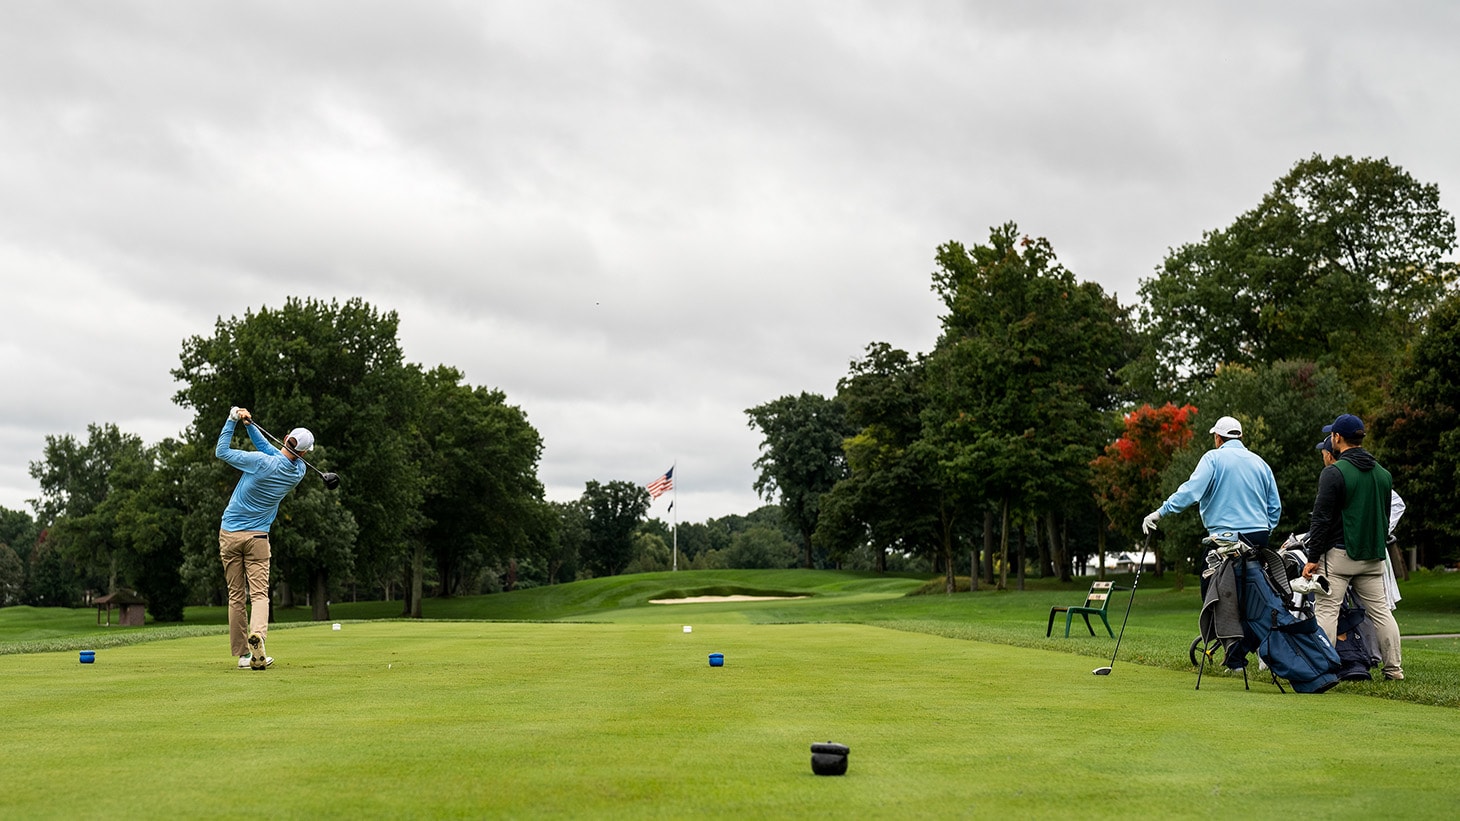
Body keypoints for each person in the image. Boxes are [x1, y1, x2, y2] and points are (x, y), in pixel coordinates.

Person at [1301, 413, 1403, 680]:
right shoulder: (1383, 474)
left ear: (1337, 438)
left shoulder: (1334, 473)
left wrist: (1312, 558)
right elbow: (1384, 517)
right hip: (1373, 557)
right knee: (1381, 613)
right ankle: (1394, 669)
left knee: (1326, 610)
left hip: (1340, 556)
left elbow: (1321, 519)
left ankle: (1323, 670)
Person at [216, 406, 313, 670]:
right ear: (304, 453)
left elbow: (222, 451)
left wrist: (232, 419)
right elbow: (272, 451)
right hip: (258, 537)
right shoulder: (298, 471)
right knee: (259, 594)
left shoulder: (259, 462)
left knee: (236, 596)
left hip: (230, 533)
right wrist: (250, 426)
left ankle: (242, 656)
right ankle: (257, 637)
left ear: (286, 438)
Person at [1143, 414, 1282, 547]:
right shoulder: (1261, 463)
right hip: (1259, 535)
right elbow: (1275, 507)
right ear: (1241, 437)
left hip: (1226, 537)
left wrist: (1161, 512)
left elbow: (1191, 491)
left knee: (1208, 564)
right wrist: (1265, 529)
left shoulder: (1212, 458)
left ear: (1218, 438)